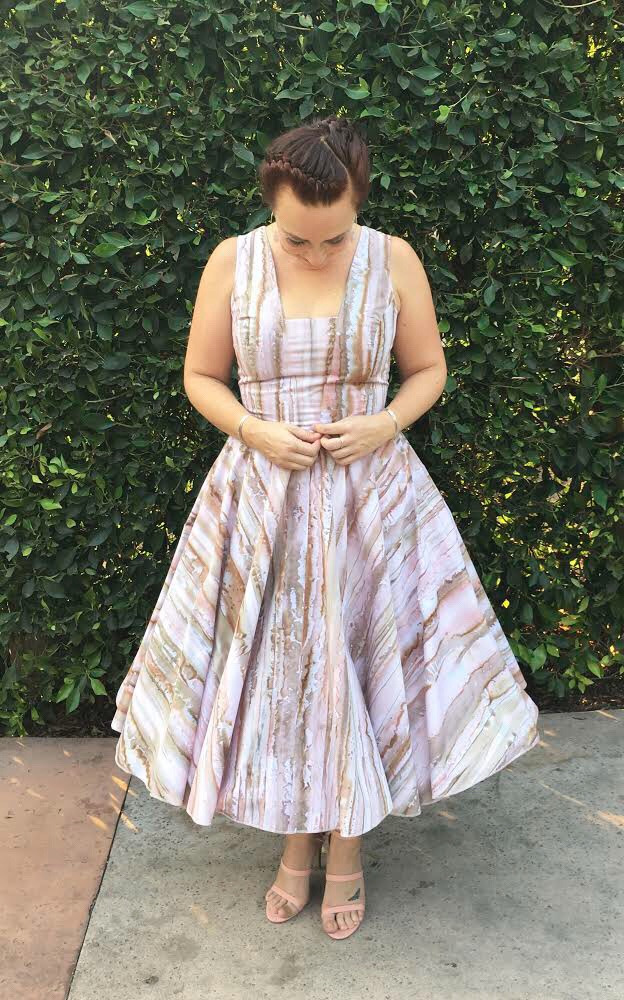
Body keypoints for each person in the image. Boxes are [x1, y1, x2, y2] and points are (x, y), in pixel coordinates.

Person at [110, 114, 540, 942]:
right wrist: (254, 429)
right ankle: (294, 840)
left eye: (333, 236)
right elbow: (201, 375)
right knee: (282, 671)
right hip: (260, 498)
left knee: (357, 668)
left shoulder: (394, 259)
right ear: (270, 204)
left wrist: (385, 422)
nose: (314, 251)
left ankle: (345, 845)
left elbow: (428, 369)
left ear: (359, 201)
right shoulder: (233, 260)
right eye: (295, 237)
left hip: (371, 499)